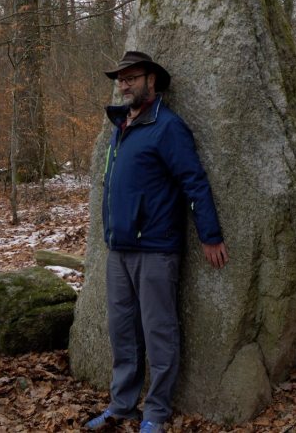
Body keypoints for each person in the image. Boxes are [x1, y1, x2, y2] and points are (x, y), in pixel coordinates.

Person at [85, 51, 229, 433]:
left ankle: (157, 412)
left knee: (158, 331)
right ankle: (122, 405)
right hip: (118, 250)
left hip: (156, 249)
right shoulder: (121, 127)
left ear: (152, 81)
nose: (124, 84)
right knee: (122, 331)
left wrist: (209, 235)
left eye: (132, 77)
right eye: (121, 78)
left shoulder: (168, 127)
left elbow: (194, 181)